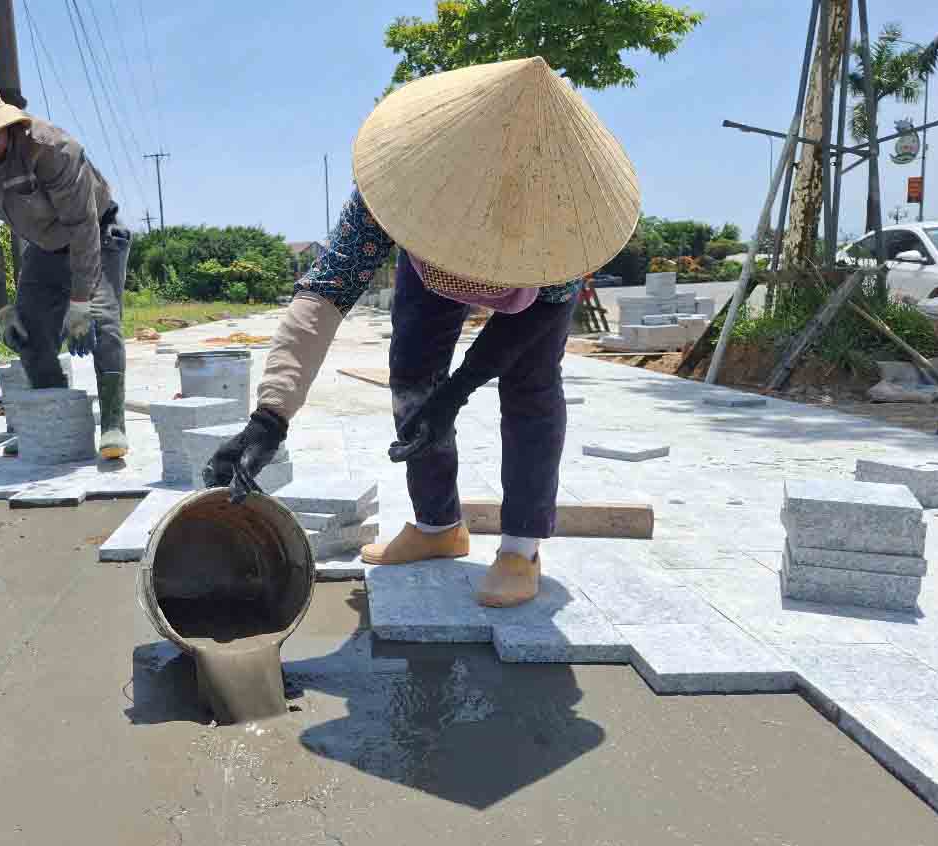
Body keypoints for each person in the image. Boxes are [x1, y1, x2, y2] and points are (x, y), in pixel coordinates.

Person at [205, 58, 639, 608]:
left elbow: (536, 318)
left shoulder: (568, 220)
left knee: (531, 391)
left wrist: (454, 396)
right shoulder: (397, 185)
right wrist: (269, 418)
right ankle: (438, 527)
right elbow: (326, 292)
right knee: (412, 376)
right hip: (425, 253)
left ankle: (522, 546)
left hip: (535, 285)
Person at [0, 75, 132, 459]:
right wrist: (2, 307)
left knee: (102, 322)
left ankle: (112, 423)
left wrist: (79, 303)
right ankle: (53, 423)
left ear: (6, 124)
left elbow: (82, 227)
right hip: (42, 247)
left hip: (97, 236)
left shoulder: (52, 149)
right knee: (28, 333)